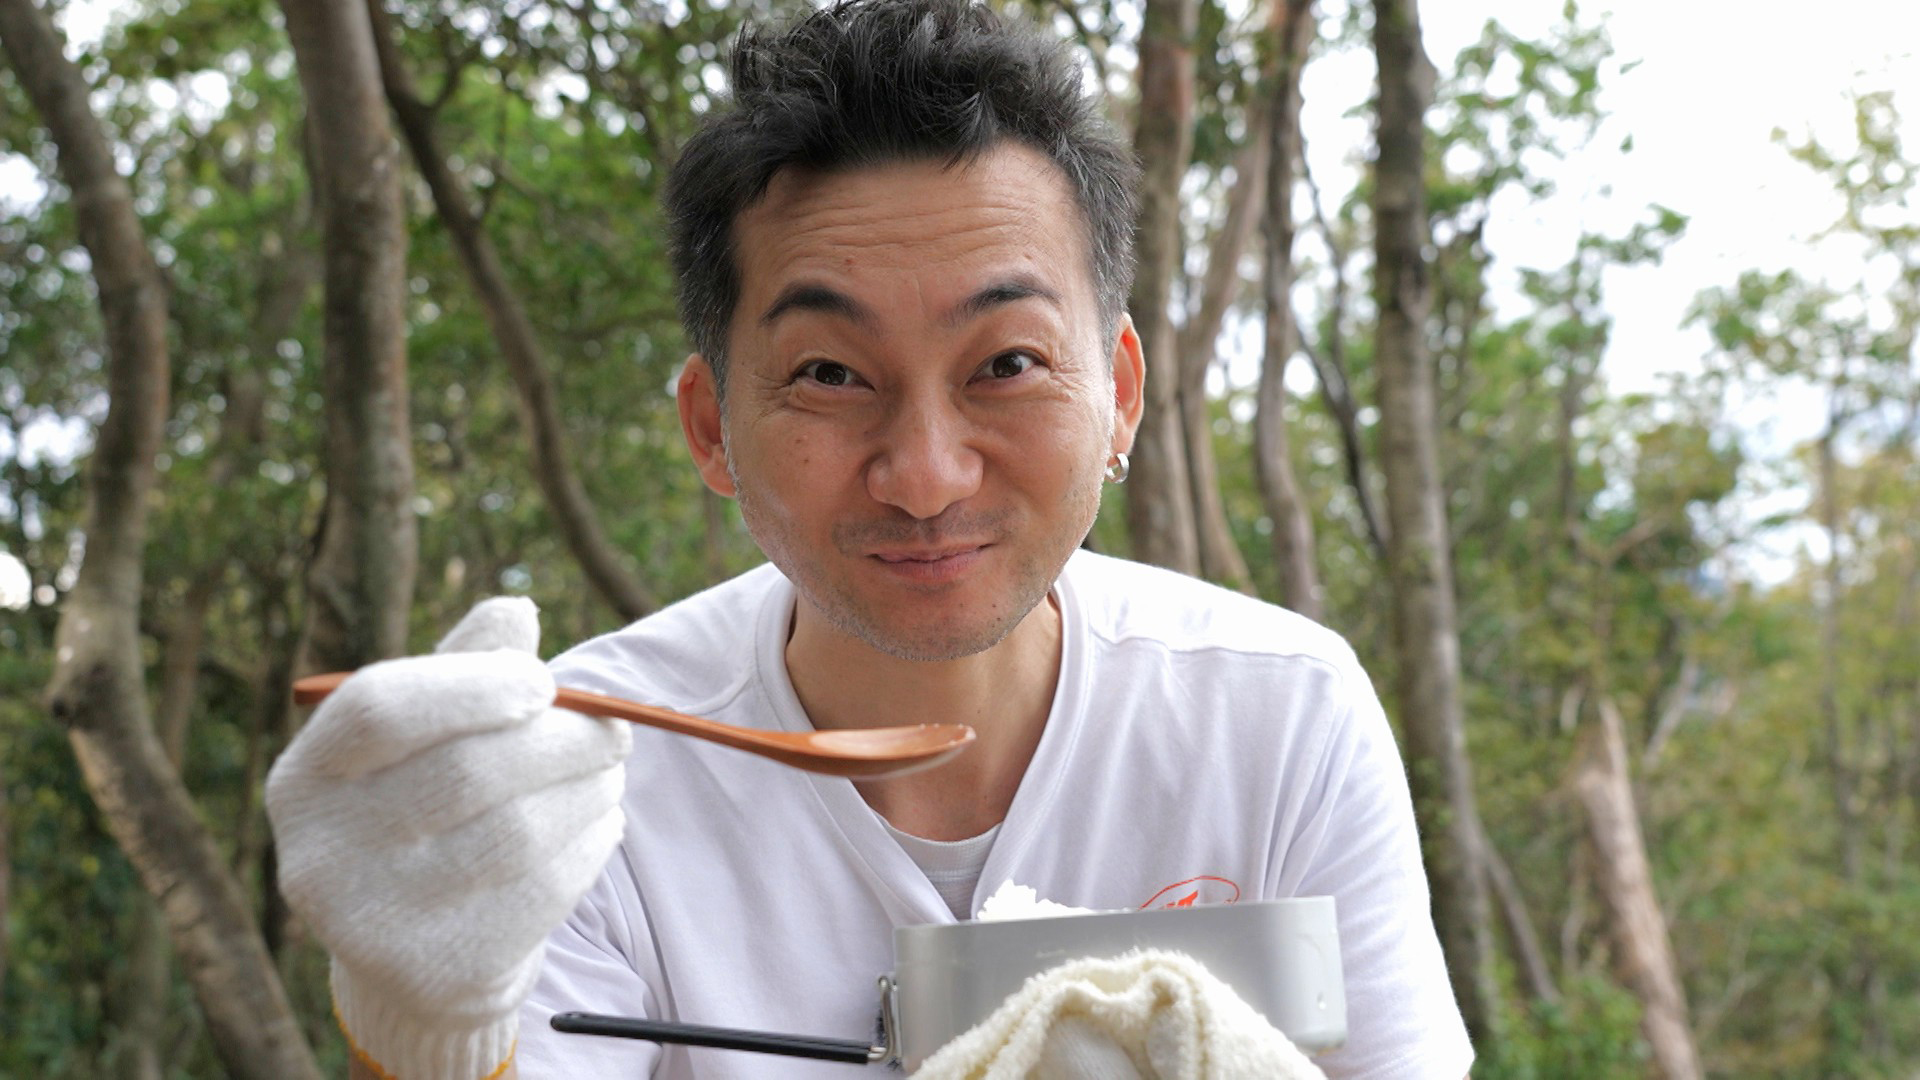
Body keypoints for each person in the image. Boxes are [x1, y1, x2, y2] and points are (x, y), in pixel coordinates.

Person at [264, 0, 1475, 1077]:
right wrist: (428, 1022)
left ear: (1117, 392)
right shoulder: (570, 785)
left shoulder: (1278, 718)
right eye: (832, 373)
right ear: (712, 427)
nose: (926, 475)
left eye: (1006, 363)